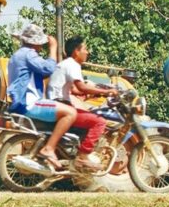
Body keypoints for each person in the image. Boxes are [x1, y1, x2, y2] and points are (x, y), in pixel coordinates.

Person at [6, 23, 77, 169]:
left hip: (20, 103)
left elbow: (42, 73)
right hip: (29, 104)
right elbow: (49, 68)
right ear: (35, 43)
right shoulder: (28, 54)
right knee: (71, 113)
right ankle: (49, 149)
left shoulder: (17, 55)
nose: (41, 47)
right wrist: (53, 48)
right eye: (40, 44)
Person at [47, 36, 118, 171]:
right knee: (99, 122)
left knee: (89, 115)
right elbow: (81, 87)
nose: (87, 52)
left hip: (58, 104)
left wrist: (94, 92)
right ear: (76, 51)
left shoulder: (66, 64)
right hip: (61, 106)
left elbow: (74, 89)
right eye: (85, 49)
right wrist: (107, 92)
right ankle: (83, 156)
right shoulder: (72, 64)